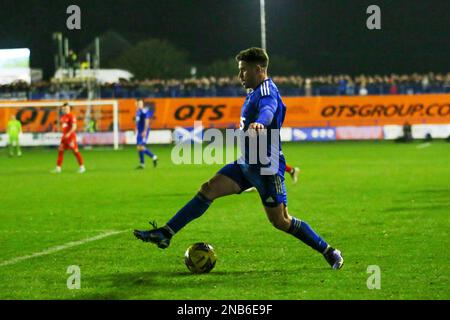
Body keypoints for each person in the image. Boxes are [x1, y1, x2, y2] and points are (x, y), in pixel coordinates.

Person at [134, 48, 344, 269]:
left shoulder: (266, 92)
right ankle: (166, 233)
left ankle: (329, 251)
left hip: (266, 169)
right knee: (208, 189)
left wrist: (261, 122)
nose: (240, 76)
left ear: (259, 69)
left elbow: (269, 108)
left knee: (281, 221)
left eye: (244, 70)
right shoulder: (254, 91)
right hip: (246, 164)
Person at [51, 102, 85, 173]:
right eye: (63, 109)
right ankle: (58, 168)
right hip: (64, 137)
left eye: (66, 108)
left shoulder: (71, 116)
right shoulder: (63, 117)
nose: (64, 110)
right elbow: (64, 127)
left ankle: (82, 167)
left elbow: (74, 127)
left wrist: (68, 134)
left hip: (70, 137)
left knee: (75, 151)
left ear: (69, 108)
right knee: (60, 151)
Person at [135, 99, 158, 169]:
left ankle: (154, 156)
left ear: (142, 104)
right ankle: (142, 164)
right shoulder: (137, 112)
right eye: (138, 104)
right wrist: (136, 128)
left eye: (141, 104)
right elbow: (138, 122)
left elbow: (146, 121)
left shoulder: (144, 111)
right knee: (139, 148)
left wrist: (145, 131)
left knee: (140, 147)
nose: (139, 105)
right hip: (139, 131)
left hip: (144, 131)